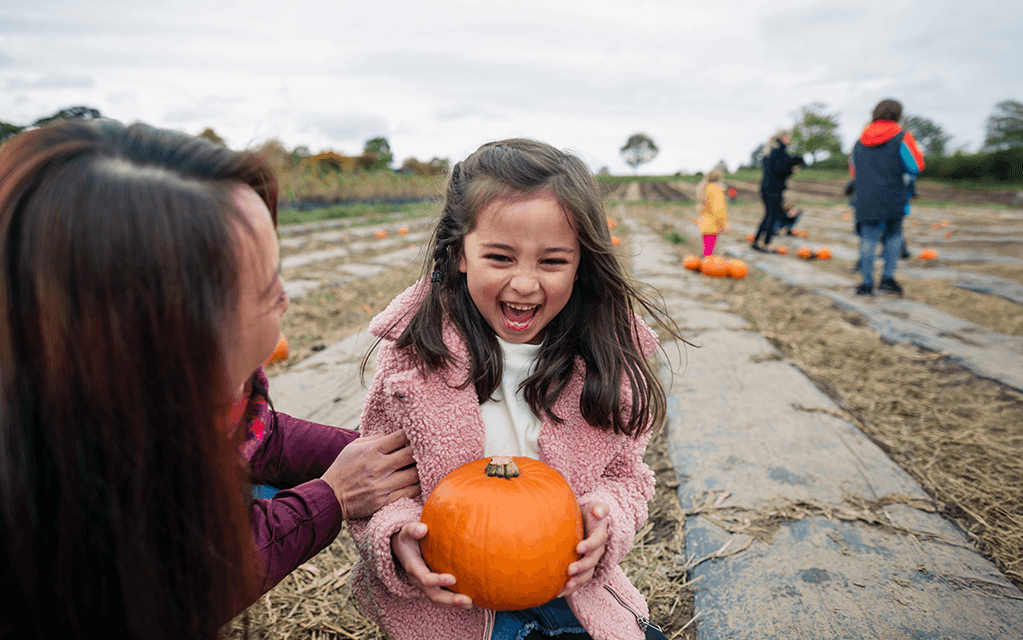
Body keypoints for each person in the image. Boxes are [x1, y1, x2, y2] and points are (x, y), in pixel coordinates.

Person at [0, 119, 419, 640]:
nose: (285, 298)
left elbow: (260, 438)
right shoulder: (67, 520)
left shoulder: (135, 390)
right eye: (267, 289)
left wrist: (394, 459)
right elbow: (189, 577)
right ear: (170, 331)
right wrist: (331, 496)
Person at [347, 139, 682, 640]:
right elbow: (377, 484)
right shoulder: (412, 362)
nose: (525, 284)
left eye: (551, 262)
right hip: (451, 603)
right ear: (460, 253)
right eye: (500, 258)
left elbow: (627, 477)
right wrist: (397, 536)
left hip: (570, 592)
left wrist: (606, 519)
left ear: (581, 264)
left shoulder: (602, 364)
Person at [849, 99, 925, 295]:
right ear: (897, 115)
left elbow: (853, 170)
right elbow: (915, 166)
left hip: (865, 197)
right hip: (893, 195)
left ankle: (866, 283)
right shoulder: (902, 137)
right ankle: (887, 279)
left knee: (868, 238)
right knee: (893, 236)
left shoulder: (859, 141)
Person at [752, 128, 805, 252]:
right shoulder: (780, 151)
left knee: (768, 216)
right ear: (783, 137)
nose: (790, 139)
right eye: (789, 137)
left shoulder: (769, 151)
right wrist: (792, 170)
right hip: (774, 189)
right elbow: (779, 169)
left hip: (766, 188)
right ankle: (765, 244)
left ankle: (756, 241)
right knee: (772, 216)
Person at [695, 166, 729, 256]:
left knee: (706, 250)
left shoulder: (705, 188)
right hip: (713, 225)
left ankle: (704, 263)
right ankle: (706, 266)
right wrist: (723, 224)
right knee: (709, 253)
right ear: (719, 178)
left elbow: (700, 207)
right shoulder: (717, 190)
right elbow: (718, 209)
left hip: (704, 224)